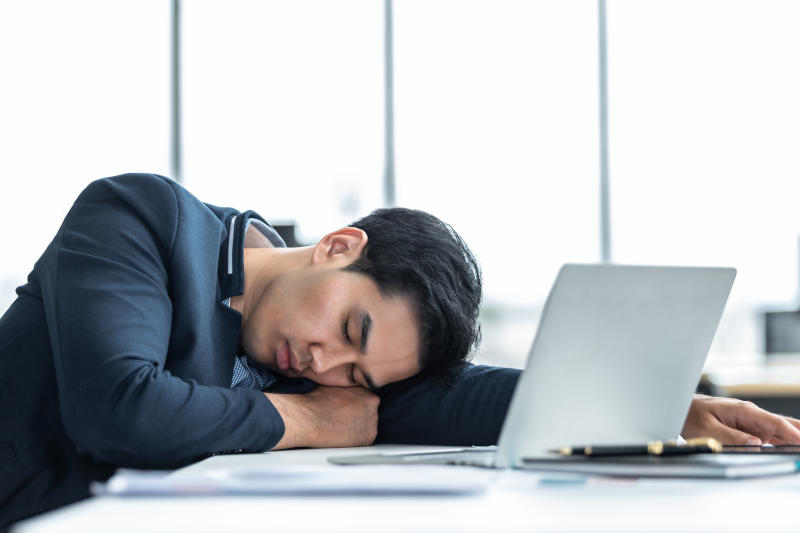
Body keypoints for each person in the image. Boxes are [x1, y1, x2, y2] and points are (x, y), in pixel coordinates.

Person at [1, 173, 799, 528]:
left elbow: (431, 400)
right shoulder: (141, 220)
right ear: (338, 247)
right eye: (351, 331)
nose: (325, 367)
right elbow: (121, 410)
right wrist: (311, 423)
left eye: (356, 373)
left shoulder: (308, 352)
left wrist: (657, 405)